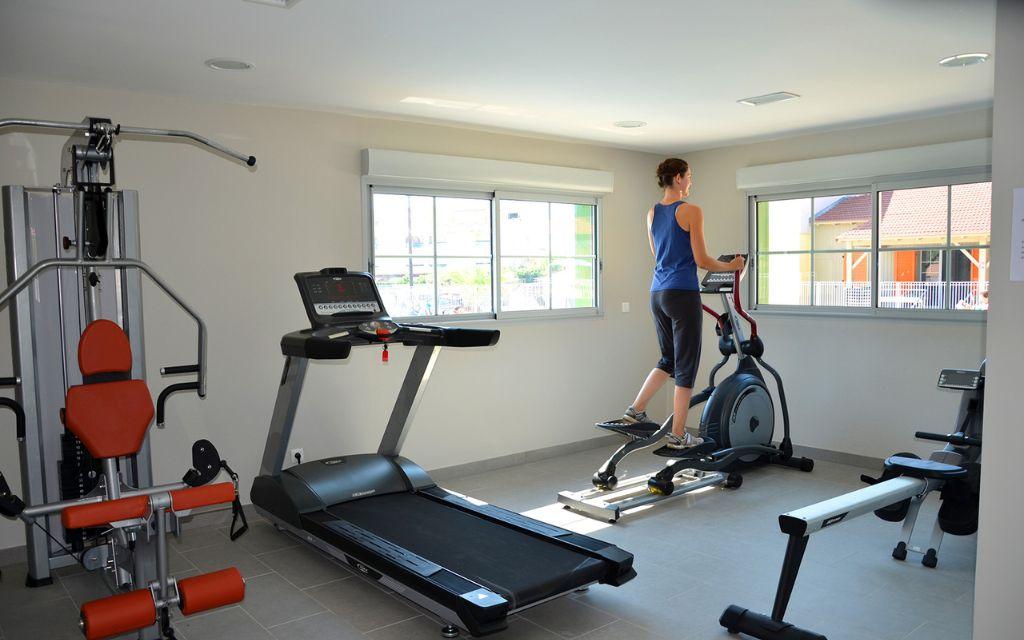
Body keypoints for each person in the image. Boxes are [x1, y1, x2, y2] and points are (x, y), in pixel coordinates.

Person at [622, 158, 745, 449]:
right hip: (682, 293)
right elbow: (702, 261)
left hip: (658, 293)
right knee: (686, 366)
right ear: (677, 178)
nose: (690, 182)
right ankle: (678, 434)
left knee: (669, 359)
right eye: (689, 177)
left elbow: (658, 254)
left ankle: (635, 410)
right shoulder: (691, 211)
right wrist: (734, 265)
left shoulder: (651, 213)